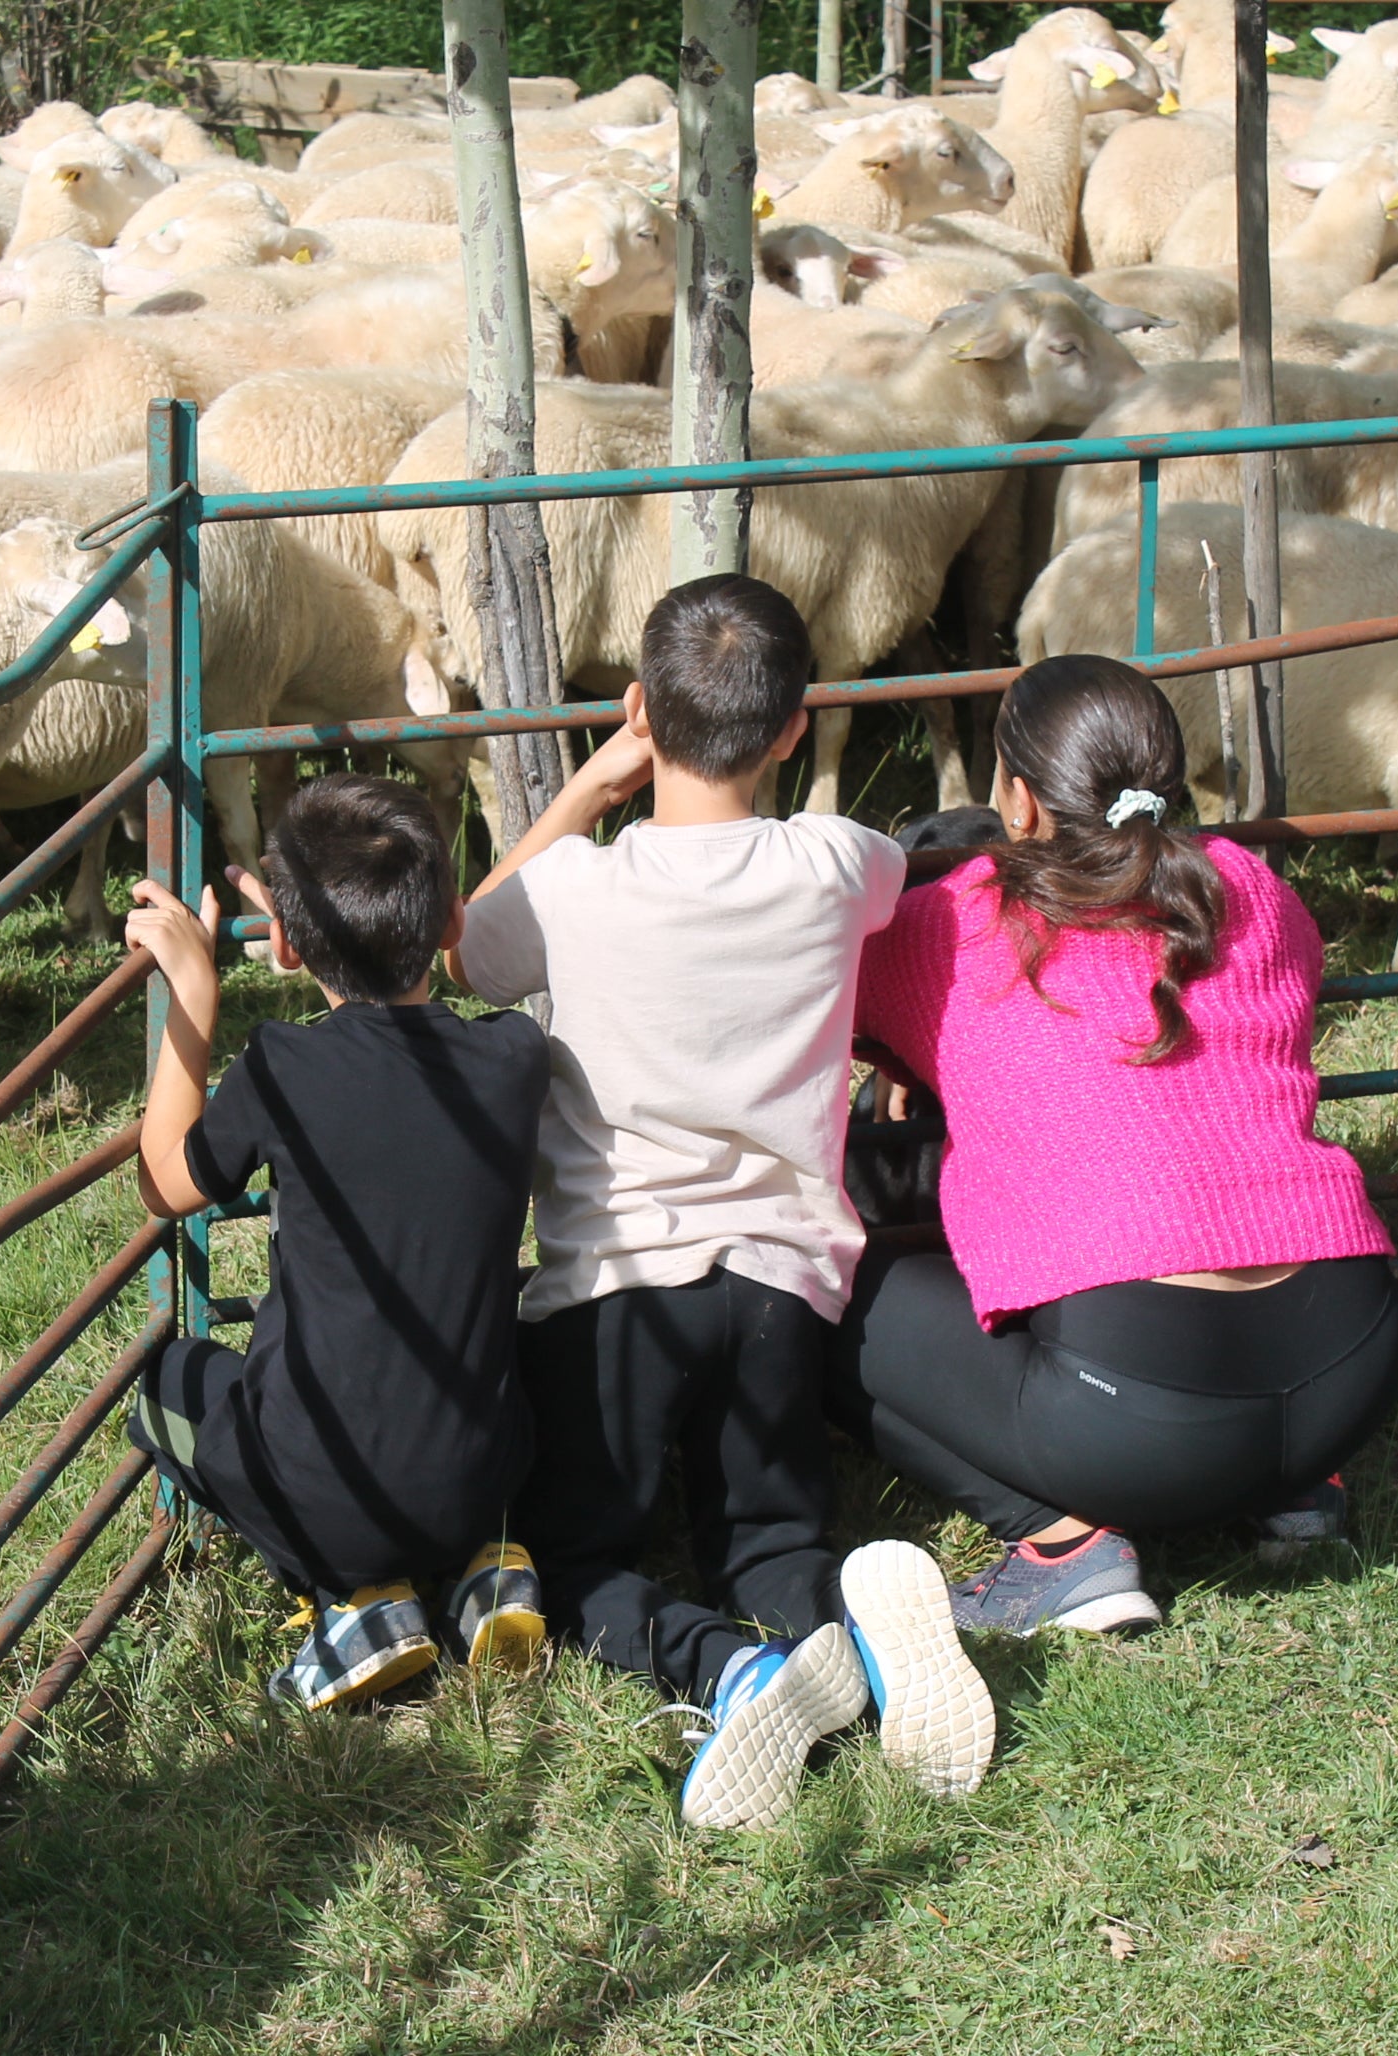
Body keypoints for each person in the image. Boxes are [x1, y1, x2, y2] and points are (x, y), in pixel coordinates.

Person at [453, 573, 998, 1831]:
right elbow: (893, 873)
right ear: (796, 729)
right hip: (780, 1288)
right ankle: (844, 1635)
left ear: (640, 707)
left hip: (613, 1292)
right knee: (765, 1539)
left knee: (575, 1555)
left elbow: (468, 945)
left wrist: (594, 783)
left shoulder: (576, 889)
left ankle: (727, 1668)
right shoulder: (833, 860)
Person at [839, 653, 1398, 1635]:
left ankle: (1064, 1546)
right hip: (1350, 1375)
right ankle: (1294, 1495)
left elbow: (827, 991)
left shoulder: (955, 919)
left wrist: (907, 1052)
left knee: (830, 1286)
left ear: (1018, 802)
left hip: (1142, 1423)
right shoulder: (1250, 887)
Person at [124, 775, 551, 1711]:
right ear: (449, 924)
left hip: (328, 1496)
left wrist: (194, 989)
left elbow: (165, 1180)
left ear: (280, 941)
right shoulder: (515, 1058)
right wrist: (592, 787)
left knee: (166, 1384)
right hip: (484, 1476)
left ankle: (356, 1601)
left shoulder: (286, 1067)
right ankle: (484, 1572)